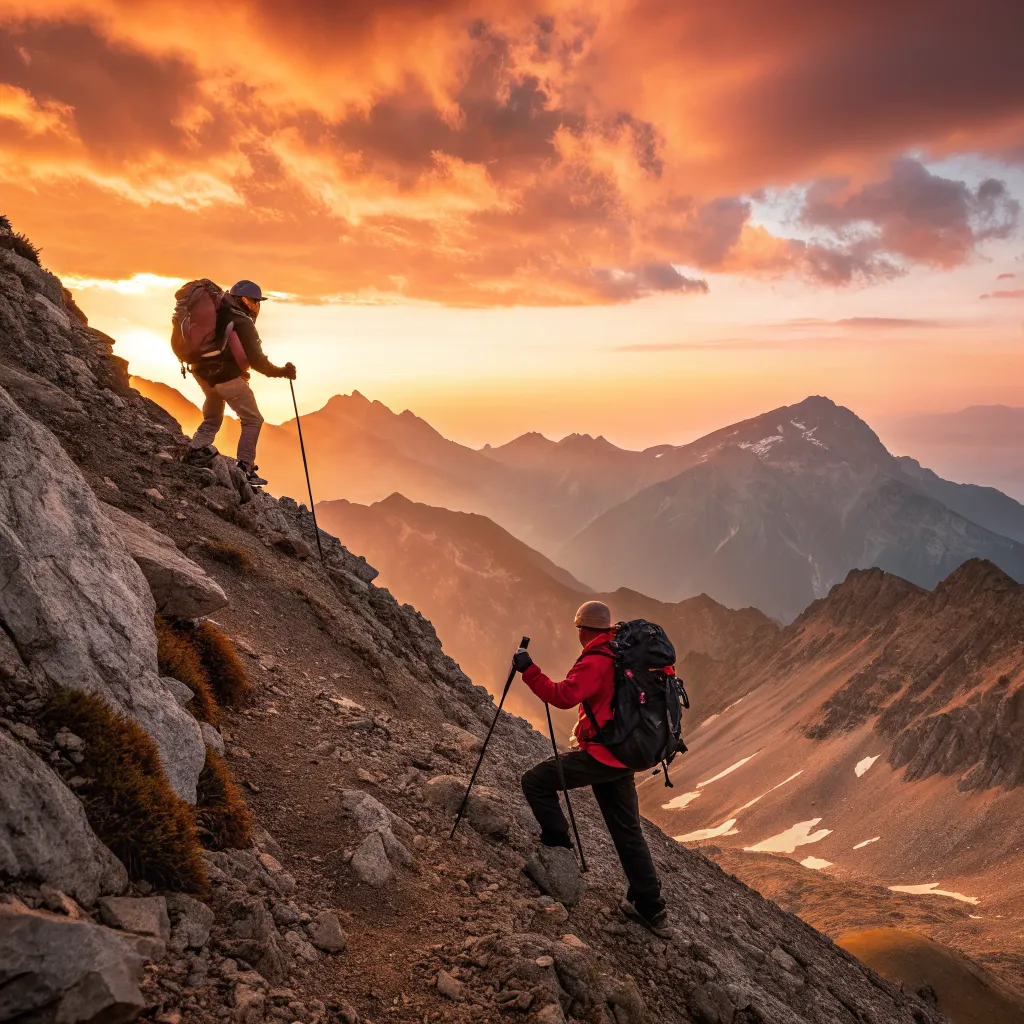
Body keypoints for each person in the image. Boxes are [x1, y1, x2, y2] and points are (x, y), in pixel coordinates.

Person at [514, 600, 670, 937]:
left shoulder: (597, 659)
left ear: (583, 629)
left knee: (536, 781)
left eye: (577, 628)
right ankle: (650, 907)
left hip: (603, 755)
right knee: (628, 832)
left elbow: (564, 696)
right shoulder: (620, 651)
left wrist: (528, 669)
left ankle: (559, 850)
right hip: (626, 753)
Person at [184, 280, 295, 486]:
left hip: (201, 373)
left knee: (213, 417)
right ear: (238, 300)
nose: (254, 307)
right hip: (227, 377)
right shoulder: (242, 321)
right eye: (251, 302)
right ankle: (245, 467)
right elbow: (258, 362)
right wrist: (282, 372)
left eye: (256, 303)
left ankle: (196, 451)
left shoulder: (217, 315)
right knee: (253, 419)